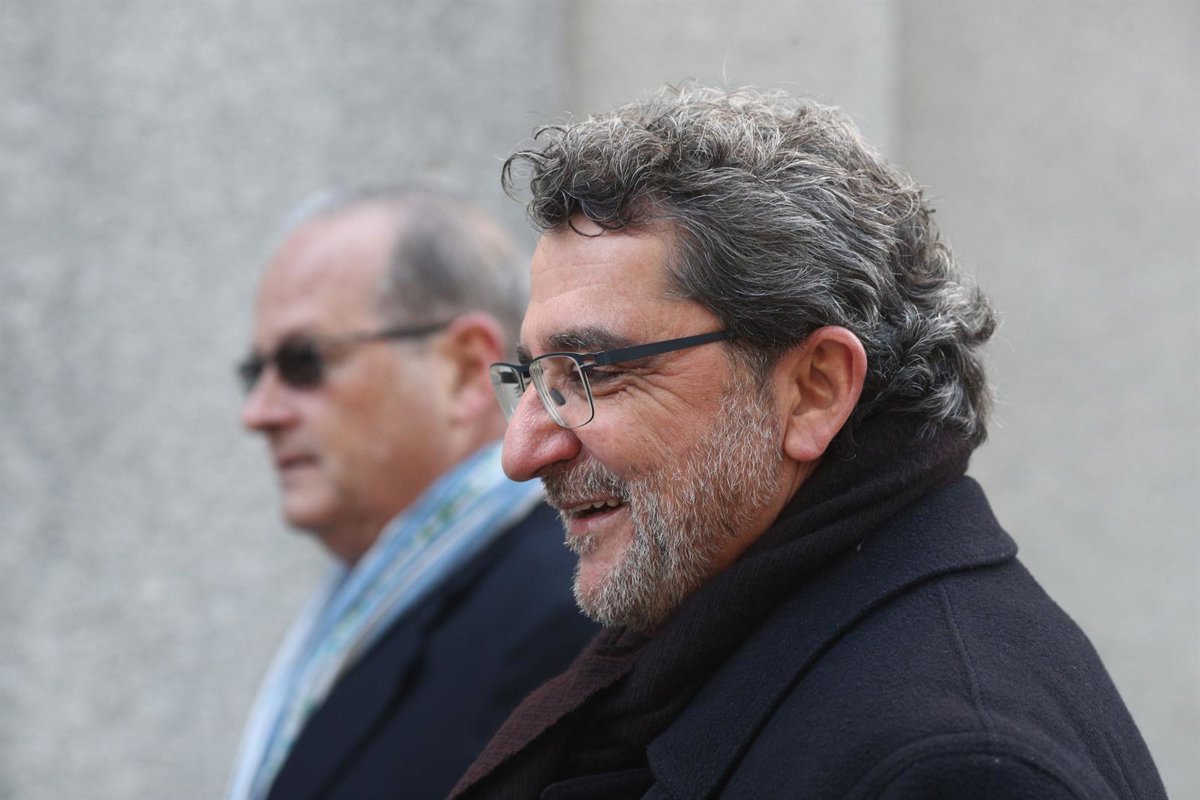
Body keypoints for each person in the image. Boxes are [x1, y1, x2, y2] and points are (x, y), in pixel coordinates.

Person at [452, 86, 1166, 799]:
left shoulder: (952, 768)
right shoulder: (726, 643)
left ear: (815, 390)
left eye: (595, 372)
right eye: (534, 377)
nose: (522, 453)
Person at [226, 188, 596, 800]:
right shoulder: (376, 597)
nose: (259, 413)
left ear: (462, 370)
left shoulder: (564, 609)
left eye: (302, 362)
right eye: (253, 373)